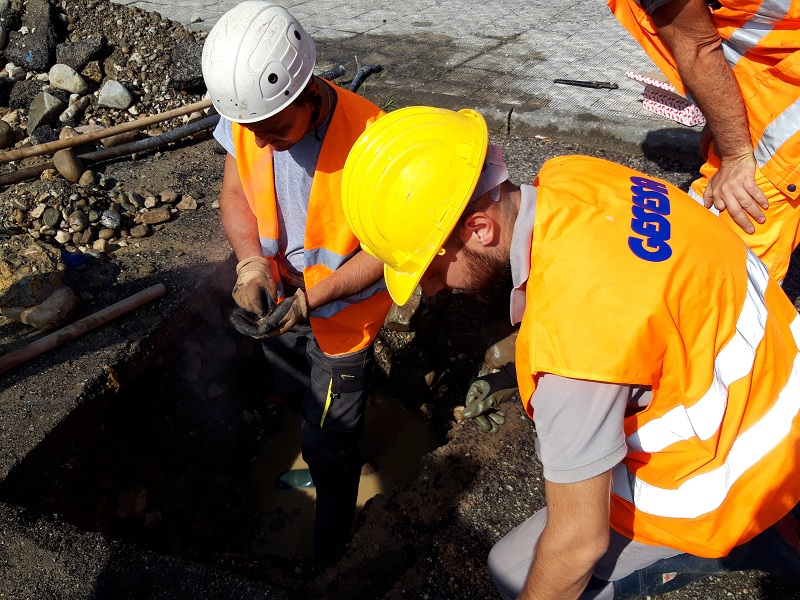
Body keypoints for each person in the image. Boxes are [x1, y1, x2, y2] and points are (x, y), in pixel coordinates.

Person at [339, 105, 800, 598]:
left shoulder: (574, 344)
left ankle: (738, 542)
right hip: (777, 373)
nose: (429, 291)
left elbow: (578, 543)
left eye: (430, 267)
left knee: (514, 570)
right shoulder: (573, 175)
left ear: (478, 229)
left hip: (739, 469)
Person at [201, 0, 393, 560]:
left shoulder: (372, 139)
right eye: (250, 130)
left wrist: (316, 298)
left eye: (274, 130)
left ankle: (334, 544)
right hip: (282, 298)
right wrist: (250, 264)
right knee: (294, 392)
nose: (260, 142)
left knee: (330, 438)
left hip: (341, 322)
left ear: (307, 90)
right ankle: (322, 456)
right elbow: (235, 191)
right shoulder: (251, 115)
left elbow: (389, 248)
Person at [608, 0, 800, 285]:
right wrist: (722, 119)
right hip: (774, 76)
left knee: (746, 209)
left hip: (786, 95)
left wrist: (736, 154)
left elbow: (698, 46)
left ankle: (729, 317)